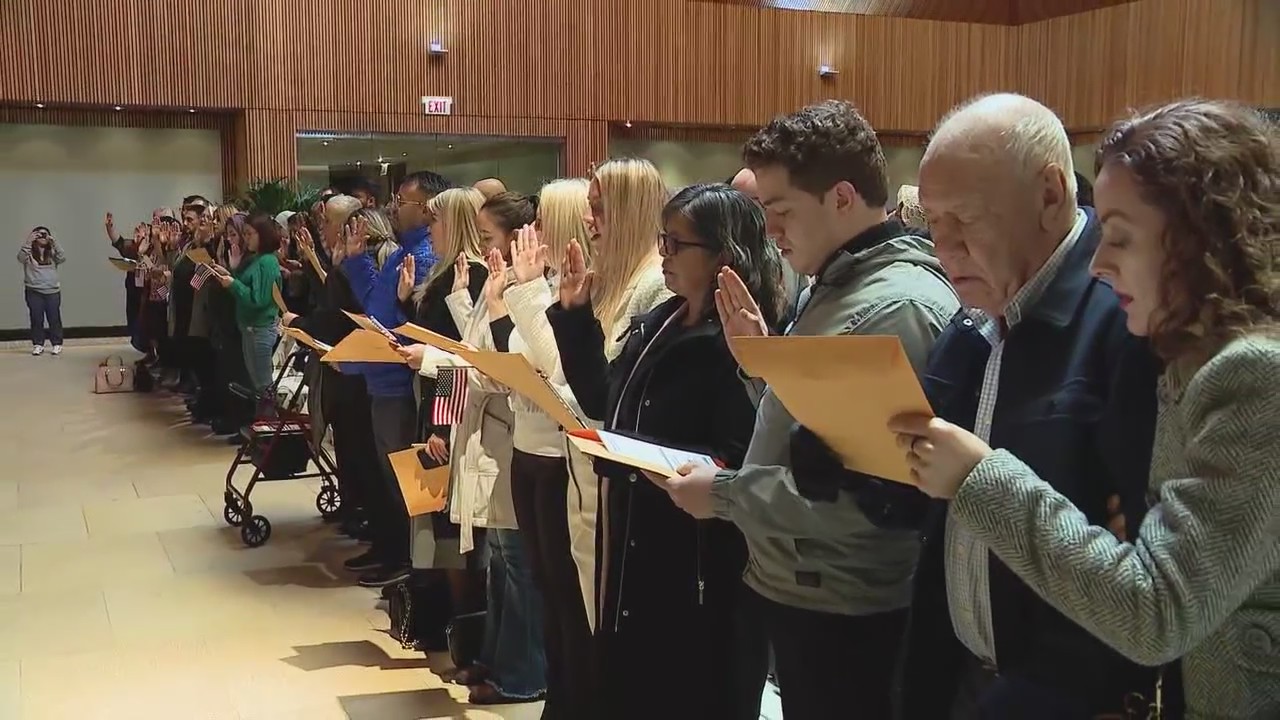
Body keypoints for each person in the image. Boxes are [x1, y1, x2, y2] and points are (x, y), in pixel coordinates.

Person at [891, 99, 1280, 720]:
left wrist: (979, 476)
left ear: (1201, 237)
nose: (1098, 261)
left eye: (1120, 236)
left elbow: (1154, 610)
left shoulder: (1254, 372)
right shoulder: (1184, 356)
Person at [655, 100, 959, 720]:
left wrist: (726, 496)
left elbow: (870, 496)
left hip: (847, 602)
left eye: (780, 211)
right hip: (807, 585)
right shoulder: (835, 282)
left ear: (842, 197)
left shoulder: (893, 308)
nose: (771, 231)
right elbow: (817, 430)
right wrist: (756, 368)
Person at [892, 93, 1163, 719]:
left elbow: (1147, 582)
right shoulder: (969, 323)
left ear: (1050, 195)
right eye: (933, 221)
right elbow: (928, 506)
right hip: (960, 673)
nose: (945, 247)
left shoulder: (1129, 320)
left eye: (966, 218)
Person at [549, 183, 781, 719]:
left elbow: (742, 455)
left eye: (677, 245)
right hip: (635, 544)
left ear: (724, 255)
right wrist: (577, 317)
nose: (663, 254)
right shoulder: (662, 321)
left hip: (697, 567)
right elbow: (606, 400)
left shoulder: (744, 345)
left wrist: (649, 459)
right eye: (663, 240)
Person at [341, 170, 449, 587]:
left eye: (400, 201)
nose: (391, 208)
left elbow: (412, 324)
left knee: (407, 484)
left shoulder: (424, 256)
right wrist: (357, 260)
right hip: (381, 380)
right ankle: (397, 556)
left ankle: (410, 566)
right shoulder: (405, 252)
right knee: (390, 481)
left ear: (424, 209)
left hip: (401, 386)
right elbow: (375, 305)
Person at [209, 212, 282, 393]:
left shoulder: (267, 261)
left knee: (264, 384)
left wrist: (233, 284)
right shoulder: (257, 259)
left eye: (250, 234)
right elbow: (244, 286)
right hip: (249, 327)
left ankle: (268, 419)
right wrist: (229, 274)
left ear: (262, 234)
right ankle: (261, 418)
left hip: (260, 328)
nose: (246, 238)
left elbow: (258, 300)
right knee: (256, 383)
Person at [18, 226, 66, 356]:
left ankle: (57, 344)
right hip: (33, 291)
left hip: (52, 291)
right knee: (36, 318)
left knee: (54, 318)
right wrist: (28, 241)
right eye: (38, 235)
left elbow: (62, 257)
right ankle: (38, 344)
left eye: (44, 235)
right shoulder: (28, 254)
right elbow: (20, 258)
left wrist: (54, 242)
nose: (42, 237)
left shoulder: (52, 252)